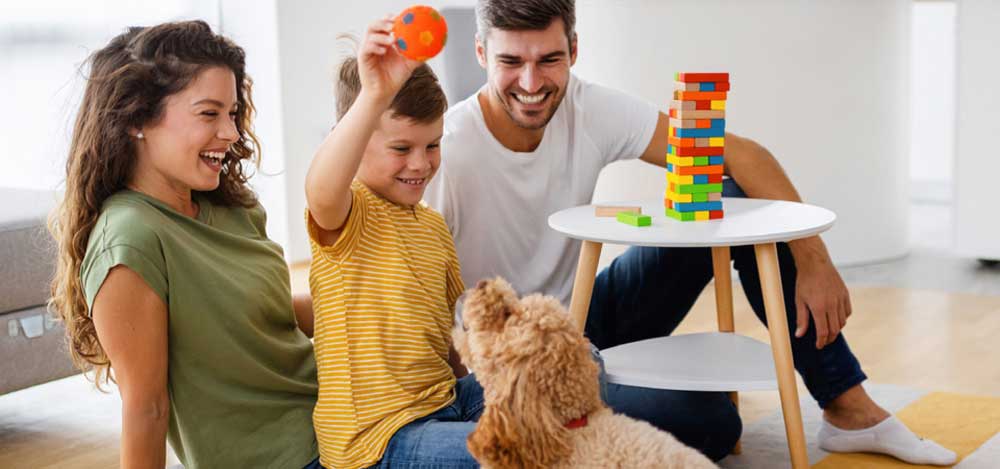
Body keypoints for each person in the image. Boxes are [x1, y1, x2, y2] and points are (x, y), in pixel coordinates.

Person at [425, 0, 957, 465]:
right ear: (480, 54)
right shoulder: (450, 150)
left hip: (588, 315)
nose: (531, 82)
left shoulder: (589, 107)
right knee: (715, 426)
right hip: (514, 358)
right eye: (510, 62)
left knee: (734, 198)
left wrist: (814, 259)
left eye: (549, 59)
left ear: (575, 49)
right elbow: (422, 297)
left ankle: (848, 408)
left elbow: (743, 155)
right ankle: (579, 420)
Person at [49, 21, 323, 468]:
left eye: (232, 113)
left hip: (349, 413)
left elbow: (261, 316)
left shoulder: (230, 205)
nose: (232, 133)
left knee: (477, 398)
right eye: (209, 113)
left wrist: (368, 294)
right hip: (295, 457)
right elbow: (147, 409)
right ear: (138, 120)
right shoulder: (130, 241)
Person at [303, 18, 482, 469]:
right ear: (356, 138)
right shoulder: (349, 213)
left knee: (579, 358)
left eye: (433, 146)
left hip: (445, 403)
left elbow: (445, 340)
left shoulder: (432, 226)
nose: (420, 164)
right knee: (510, 450)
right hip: (380, 441)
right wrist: (374, 95)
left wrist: (485, 392)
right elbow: (321, 189)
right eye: (401, 149)